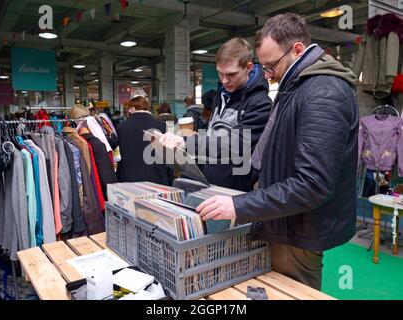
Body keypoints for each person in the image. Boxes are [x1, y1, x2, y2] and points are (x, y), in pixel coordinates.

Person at [195, 13, 359, 290]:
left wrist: (239, 205)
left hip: (298, 230)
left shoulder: (323, 94)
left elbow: (313, 184)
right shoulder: (298, 87)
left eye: (271, 65)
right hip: (284, 221)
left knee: (291, 292)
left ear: (297, 50)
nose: (268, 75)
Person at [158, 37, 272, 192]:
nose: (225, 80)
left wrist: (188, 142)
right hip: (209, 183)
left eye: (231, 74)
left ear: (249, 67)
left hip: (235, 191)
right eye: (220, 73)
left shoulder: (260, 103)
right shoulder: (222, 94)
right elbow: (216, 134)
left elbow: (236, 144)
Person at [116, 96, 173, 185]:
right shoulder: (162, 126)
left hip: (130, 178)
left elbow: (122, 154)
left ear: (132, 108)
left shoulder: (122, 127)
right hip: (157, 177)